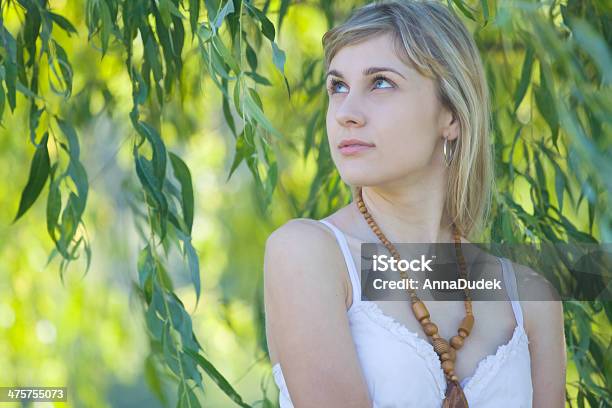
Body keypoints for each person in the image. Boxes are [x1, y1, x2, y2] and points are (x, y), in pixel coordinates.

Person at [263, 1, 566, 407]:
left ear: (451, 115)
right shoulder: (309, 253)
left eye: (381, 82)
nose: (346, 114)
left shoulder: (530, 298)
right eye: (338, 86)